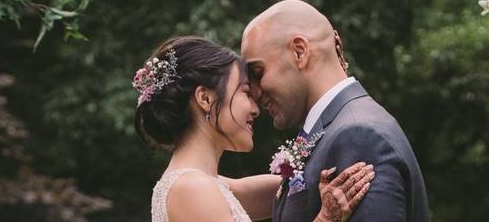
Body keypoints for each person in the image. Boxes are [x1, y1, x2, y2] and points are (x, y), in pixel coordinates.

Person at [136, 35, 375, 222]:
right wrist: (326, 219)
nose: (255, 108)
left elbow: (290, 187)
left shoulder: (207, 184)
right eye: (245, 92)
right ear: (205, 98)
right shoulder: (192, 189)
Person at [241, 0, 429, 222]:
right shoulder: (332, 133)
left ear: (299, 52)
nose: (253, 92)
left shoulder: (358, 137)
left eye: (258, 72)